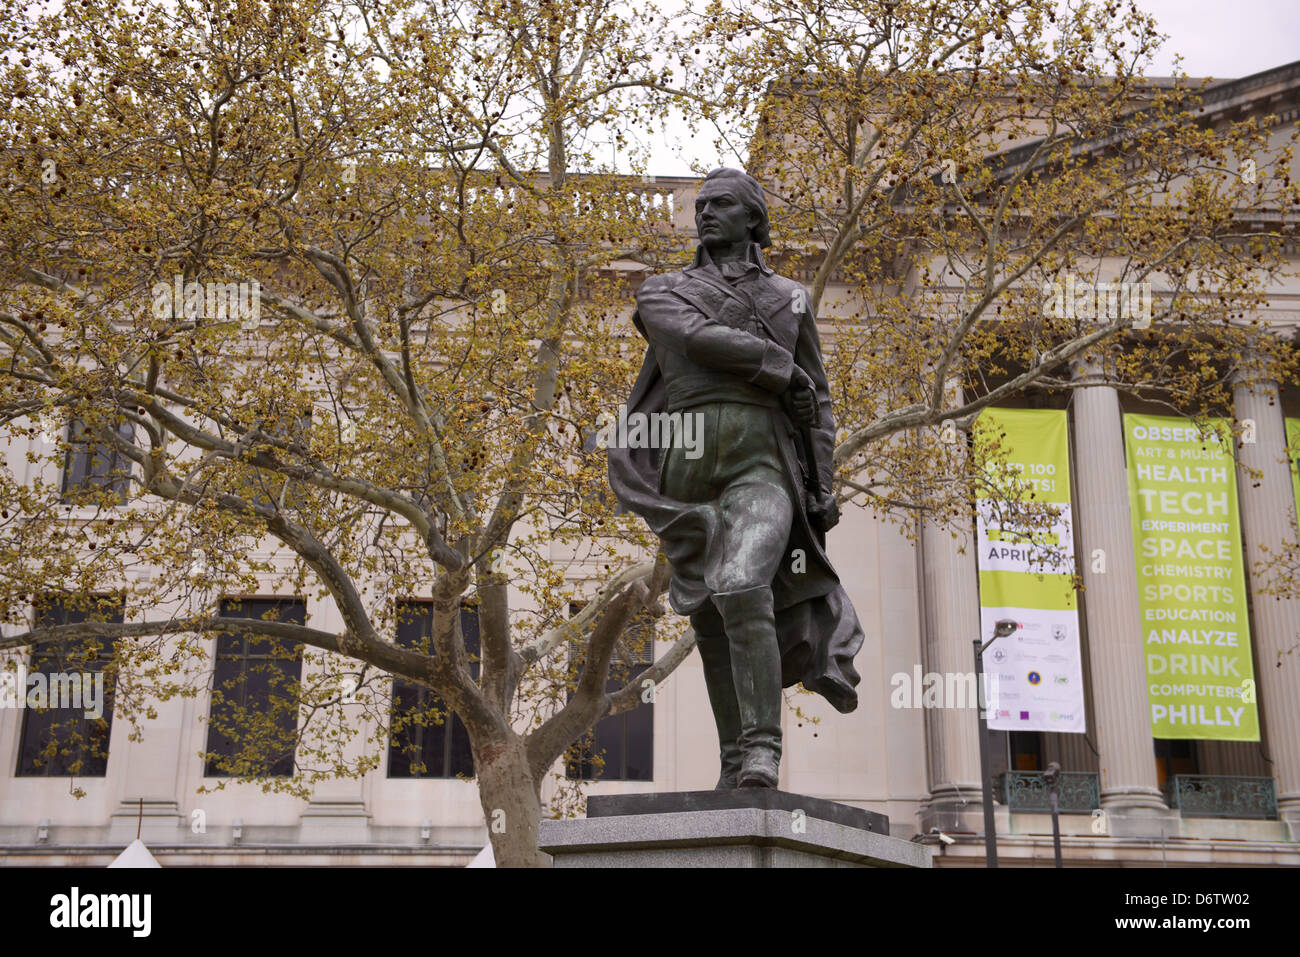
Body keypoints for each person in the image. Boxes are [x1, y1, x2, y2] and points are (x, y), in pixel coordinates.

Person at [607, 167, 864, 789]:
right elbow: (692, 336)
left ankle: (762, 749)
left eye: (722, 205)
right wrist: (779, 369)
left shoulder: (791, 298)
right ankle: (733, 761)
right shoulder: (662, 291)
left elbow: (821, 403)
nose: (706, 214)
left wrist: (823, 481)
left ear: (753, 217)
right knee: (710, 611)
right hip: (686, 466)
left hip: (760, 461)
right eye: (702, 206)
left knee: (743, 582)